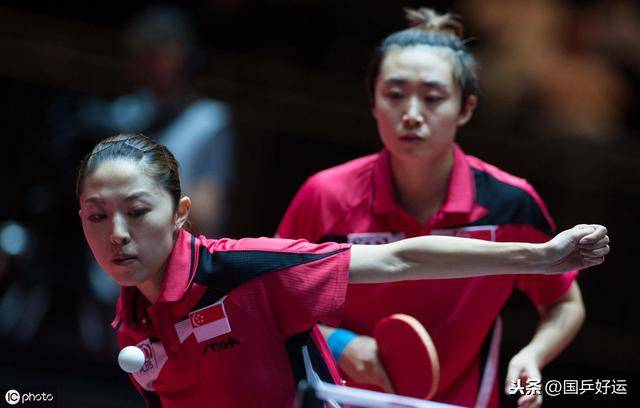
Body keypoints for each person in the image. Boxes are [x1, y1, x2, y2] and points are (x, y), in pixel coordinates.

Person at [77, 134, 608, 407]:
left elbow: (399, 258)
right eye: (97, 216)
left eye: (138, 211)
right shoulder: (131, 325)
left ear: (180, 213)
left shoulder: (245, 270)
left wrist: (539, 256)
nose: (117, 233)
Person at [277, 8, 593, 408]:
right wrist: (340, 343)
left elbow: (563, 301)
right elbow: (272, 299)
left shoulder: (511, 204)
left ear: (466, 108)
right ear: (373, 102)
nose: (411, 114)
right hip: (340, 399)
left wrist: (532, 355)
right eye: (394, 95)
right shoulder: (325, 196)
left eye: (432, 98)